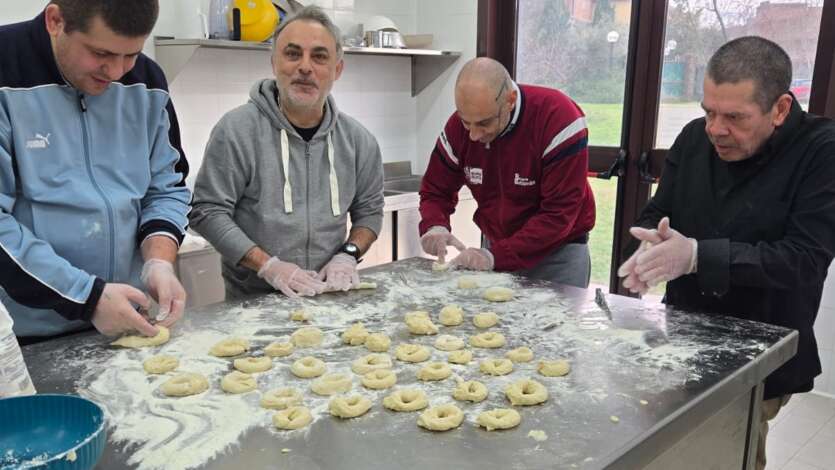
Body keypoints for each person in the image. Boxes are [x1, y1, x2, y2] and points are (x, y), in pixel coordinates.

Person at [617, 36, 835, 470]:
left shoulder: (821, 151)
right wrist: (648, 249)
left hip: (762, 348)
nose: (716, 128)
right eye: (709, 111)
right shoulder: (694, 139)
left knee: (723, 455)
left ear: (780, 109)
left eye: (735, 117)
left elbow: (803, 259)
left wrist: (697, 256)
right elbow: (659, 213)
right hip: (681, 335)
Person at [0, 0, 192, 342]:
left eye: (130, 54)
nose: (117, 72)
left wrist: (159, 260)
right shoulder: (5, 68)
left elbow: (166, 189)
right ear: (56, 20)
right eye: (101, 52)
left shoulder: (147, 82)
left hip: (127, 319)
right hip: (27, 334)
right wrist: (87, 297)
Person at [189, 6, 384, 300]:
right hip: (252, 305)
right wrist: (267, 265)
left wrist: (348, 253)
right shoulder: (236, 130)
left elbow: (369, 212)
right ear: (274, 62)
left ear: (337, 69)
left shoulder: (358, 141)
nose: (305, 67)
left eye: (319, 56)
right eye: (293, 54)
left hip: (329, 297)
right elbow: (207, 211)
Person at [418, 57, 595, 287]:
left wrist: (495, 257)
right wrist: (435, 224)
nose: (473, 135)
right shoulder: (459, 129)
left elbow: (558, 215)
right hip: (498, 245)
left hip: (558, 254)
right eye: (466, 122)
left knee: (556, 322)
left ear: (510, 100)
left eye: (484, 123)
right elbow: (435, 190)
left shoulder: (557, 118)